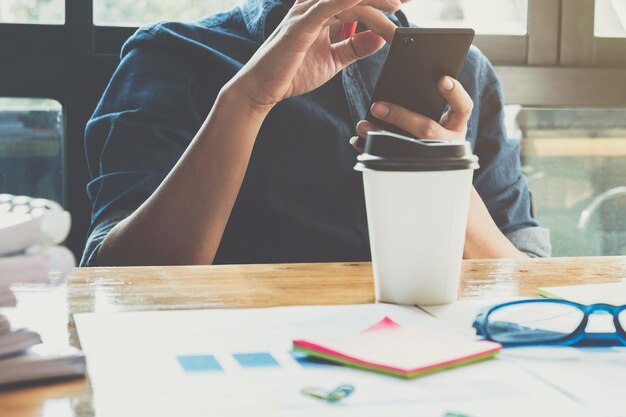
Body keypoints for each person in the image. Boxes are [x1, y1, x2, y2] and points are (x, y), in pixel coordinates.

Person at [81, 0, 550, 266]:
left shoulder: (465, 73)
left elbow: (530, 279)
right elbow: (114, 279)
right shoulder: (173, 54)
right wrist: (247, 103)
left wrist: (447, 188)